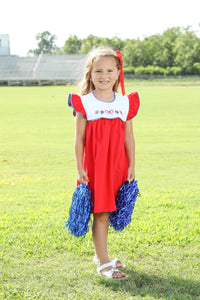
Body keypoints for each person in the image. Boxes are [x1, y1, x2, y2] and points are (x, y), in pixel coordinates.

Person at [68, 47, 140, 279]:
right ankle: (104, 262)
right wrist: (80, 168)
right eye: (98, 71)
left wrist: (131, 165)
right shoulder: (85, 103)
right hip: (95, 167)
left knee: (108, 211)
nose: (104, 75)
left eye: (110, 70)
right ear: (90, 75)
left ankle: (101, 255)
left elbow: (129, 137)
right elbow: (79, 140)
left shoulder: (125, 103)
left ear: (118, 73)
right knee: (100, 212)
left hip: (117, 166)